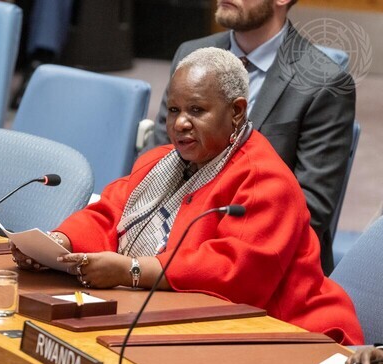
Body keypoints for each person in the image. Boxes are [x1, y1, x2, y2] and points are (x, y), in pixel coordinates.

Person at [12, 47, 362, 345]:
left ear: (236, 112)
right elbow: (108, 214)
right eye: (174, 110)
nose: (180, 123)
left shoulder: (264, 180)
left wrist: (133, 270)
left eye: (196, 110)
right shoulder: (160, 161)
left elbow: (233, 274)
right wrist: (58, 245)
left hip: (294, 333)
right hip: (189, 321)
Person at [142, 0, 356, 276]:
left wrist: (204, 253)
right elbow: (158, 159)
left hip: (262, 261)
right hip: (172, 240)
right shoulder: (192, 54)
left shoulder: (325, 83)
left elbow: (309, 210)